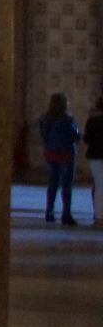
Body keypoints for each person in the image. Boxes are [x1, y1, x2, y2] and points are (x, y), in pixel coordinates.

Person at [38, 93, 80, 226]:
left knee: (52, 183)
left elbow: (43, 134)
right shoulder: (68, 119)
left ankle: (49, 211)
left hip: (51, 152)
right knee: (66, 185)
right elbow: (75, 135)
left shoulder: (45, 118)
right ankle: (66, 214)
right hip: (66, 153)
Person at [84, 94, 103, 228]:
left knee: (99, 186)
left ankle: (99, 216)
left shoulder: (92, 120)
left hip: (95, 155)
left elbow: (87, 139)